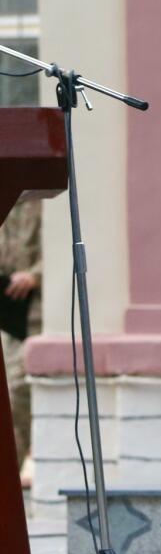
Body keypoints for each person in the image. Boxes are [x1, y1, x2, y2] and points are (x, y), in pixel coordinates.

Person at [1, 197, 41, 488]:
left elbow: (62, 248)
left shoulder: (42, 202)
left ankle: (32, 457)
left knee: (23, 386)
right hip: (9, 310)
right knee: (12, 391)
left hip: (39, 311)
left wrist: (35, 276)